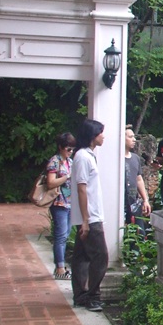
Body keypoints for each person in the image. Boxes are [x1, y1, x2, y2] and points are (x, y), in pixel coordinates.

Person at [70, 119, 107, 312]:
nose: (103, 136)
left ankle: (81, 295)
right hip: (90, 217)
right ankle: (93, 297)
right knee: (100, 257)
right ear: (93, 136)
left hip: (91, 216)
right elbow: (82, 189)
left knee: (81, 256)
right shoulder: (83, 157)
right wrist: (85, 220)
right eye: (100, 132)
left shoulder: (86, 156)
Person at [46, 132, 76, 279]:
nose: (70, 151)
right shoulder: (55, 161)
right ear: (60, 147)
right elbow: (50, 183)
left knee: (66, 234)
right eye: (68, 149)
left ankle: (61, 267)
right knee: (61, 236)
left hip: (70, 202)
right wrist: (67, 177)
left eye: (72, 149)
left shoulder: (70, 162)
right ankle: (60, 268)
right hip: (59, 202)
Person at [124, 126, 152, 236]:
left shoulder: (135, 158)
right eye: (130, 137)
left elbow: (139, 179)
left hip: (134, 203)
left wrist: (145, 199)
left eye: (134, 137)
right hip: (121, 204)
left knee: (140, 234)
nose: (134, 140)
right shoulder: (117, 159)